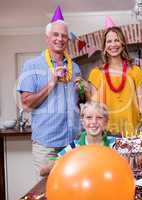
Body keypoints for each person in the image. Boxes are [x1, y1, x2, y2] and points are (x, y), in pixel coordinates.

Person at [16, 7, 81, 178]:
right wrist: (51, 84)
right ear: (47, 38)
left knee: (72, 188)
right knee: (48, 190)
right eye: (56, 35)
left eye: (64, 36)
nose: (60, 39)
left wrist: (85, 90)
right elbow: (27, 103)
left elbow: (78, 102)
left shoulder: (75, 67)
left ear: (68, 39)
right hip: (47, 145)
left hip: (73, 142)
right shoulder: (32, 66)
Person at [87, 26, 142, 136]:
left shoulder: (135, 71)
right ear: (104, 47)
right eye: (109, 41)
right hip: (106, 133)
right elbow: (94, 108)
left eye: (117, 40)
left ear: (123, 44)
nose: (113, 45)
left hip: (133, 131)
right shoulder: (96, 73)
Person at [40, 102, 115, 176]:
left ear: (106, 122)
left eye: (99, 117)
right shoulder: (73, 147)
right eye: (89, 117)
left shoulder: (116, 144)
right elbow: (43, 172)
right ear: (82, 122)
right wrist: (57, 164)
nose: (94, 121)